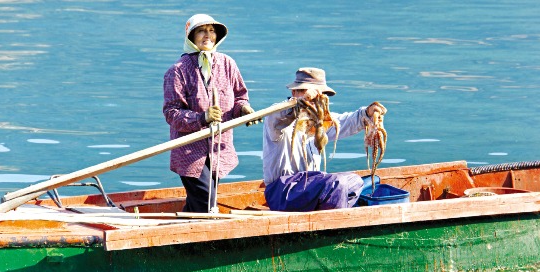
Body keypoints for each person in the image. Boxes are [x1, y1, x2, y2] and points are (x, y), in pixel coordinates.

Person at [163, 14, 259, 213]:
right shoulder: (178, 71)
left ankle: (183, 229)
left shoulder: (227, 64)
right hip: (190, 152)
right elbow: (171, 113)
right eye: (201, 31)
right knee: (206, 201)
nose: (208, 35)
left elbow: (240, 96)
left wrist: (244, 109)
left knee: (201, 202)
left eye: (211, 30)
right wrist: (201, 117)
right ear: (191, 36)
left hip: (218, 149)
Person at [262, 67, 384, 212]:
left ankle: (328, 213)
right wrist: (300, 102)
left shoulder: (319, 122)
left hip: (310, 187)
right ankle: (334, 221)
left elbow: (345, 121)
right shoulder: (277, 119)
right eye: (308, 92)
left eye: (321, 94)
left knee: (355, 182)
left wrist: (368, 113)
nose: (315, 99)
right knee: (335, 184)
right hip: (283, 192)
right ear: (294, 92)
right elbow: (278, 115)